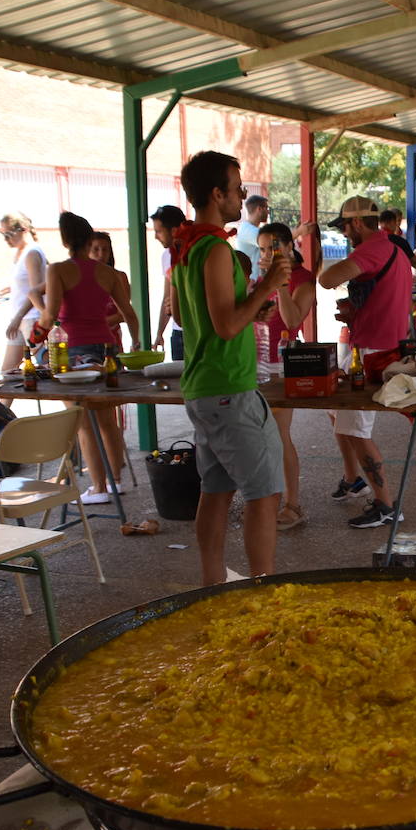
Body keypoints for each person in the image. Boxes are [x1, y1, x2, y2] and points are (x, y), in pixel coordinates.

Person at [169, 151, 287, 584]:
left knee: (216, 491)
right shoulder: (216, 249)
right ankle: (264, 590)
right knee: (265, 493)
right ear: (217, 194)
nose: (242, 196)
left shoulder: (187, 247)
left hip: (203, 389)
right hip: (228, 389)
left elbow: (186, 317)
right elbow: (224, 325)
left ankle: (212, 583)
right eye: (237, 188)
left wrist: (250, 308)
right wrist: (266, 289)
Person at [319, 196, 413, 529]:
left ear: (357, 223)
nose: (344, 234)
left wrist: (316, 251)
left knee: (357, 431)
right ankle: (355, 480)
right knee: (342, 419)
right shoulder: (394, 247)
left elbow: (327, 279)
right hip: (379, 345)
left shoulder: (370, 251)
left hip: (372, 352)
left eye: (345, 227)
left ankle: (386, 504)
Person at [35, 212, 140, 506]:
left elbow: (50, 314)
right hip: (107, 350)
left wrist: (34, 336)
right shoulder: (108, 274)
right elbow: (129, 314)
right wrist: (136, 342)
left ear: (66, 239)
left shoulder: (57, 270)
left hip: (74, 353)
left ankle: (97, 487)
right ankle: (116, 482)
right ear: (88, 239)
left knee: (84, 425)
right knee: (107, 421)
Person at [258, 222, 316, 532]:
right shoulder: (260, 276)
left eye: (272, 248)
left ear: (288, 248)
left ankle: (293, 505)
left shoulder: (303, 279)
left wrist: (279, 283)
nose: (267, 254)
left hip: (283, 362)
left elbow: (294, 320)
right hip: (256, 361)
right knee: (259, 436)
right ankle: (267, 499)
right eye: (263, 249)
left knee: (279, 435)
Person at [0, 212, 47, 385]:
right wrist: (12, 289)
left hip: (31, 319)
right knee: (8, 375)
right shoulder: (21, 253)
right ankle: (0, 412)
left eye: (8, 234)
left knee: (49, 370)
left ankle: (76, 411)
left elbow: (36, 290)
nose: (6, 239)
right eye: (3, 235)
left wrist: (18, 317)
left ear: (24, 230)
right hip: (21, 319)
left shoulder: (32, 253)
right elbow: (28, 284)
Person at [151, 205, 188, 359]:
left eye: (158, 231)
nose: (155, 237)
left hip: (198, 332)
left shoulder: (196, 252)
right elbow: (167, 297)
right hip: (178, 333)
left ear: (174, 230)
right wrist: (160, 332)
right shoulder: (166, 256)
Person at [234, 194, 269, 281]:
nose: (268, 212)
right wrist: (298, 232)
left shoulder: (249, 229)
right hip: (249, 283)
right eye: (266, 208)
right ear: (259, 209)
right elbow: (272, 241)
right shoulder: (247, 230)